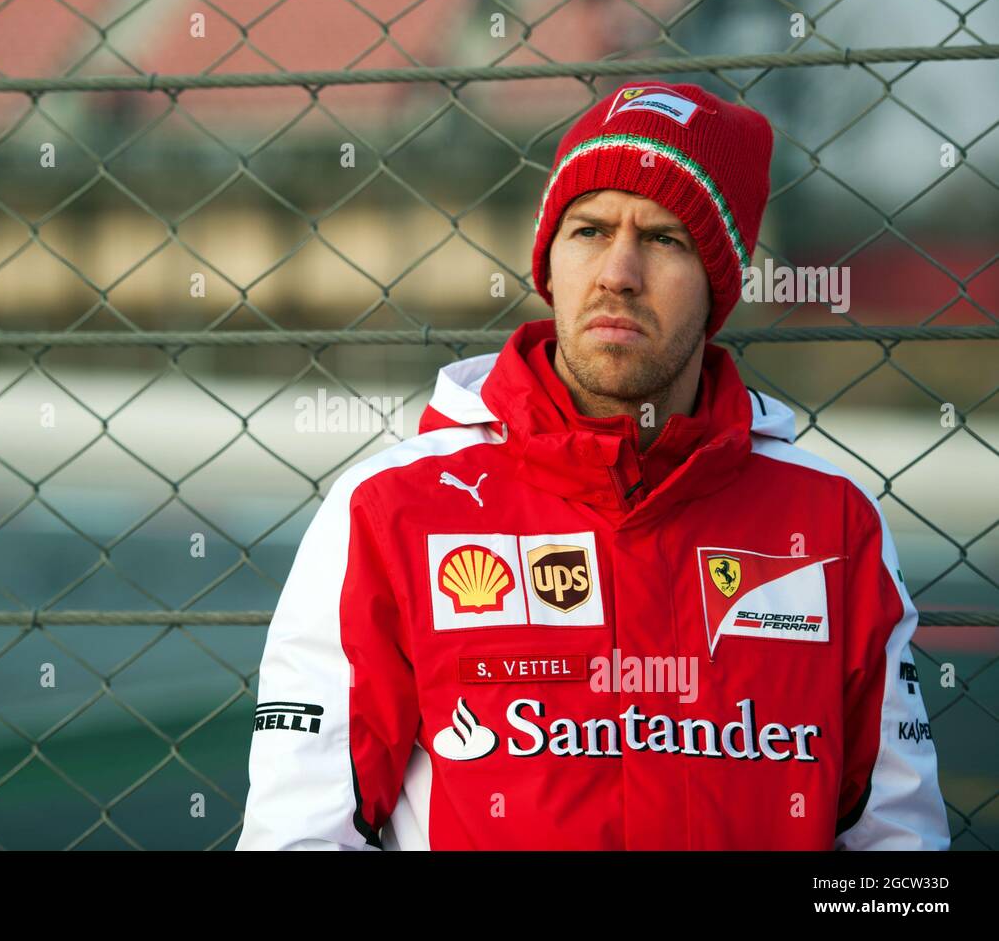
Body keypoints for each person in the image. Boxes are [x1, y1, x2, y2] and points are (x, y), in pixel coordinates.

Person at [235, 82, 950, 850]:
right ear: (550, 262)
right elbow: (300, 834)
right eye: (589, 229)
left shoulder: (831, 523)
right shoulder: (390, 508)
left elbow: (897, 848)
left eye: (667, 239)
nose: (619, 271)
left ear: (720, 284)